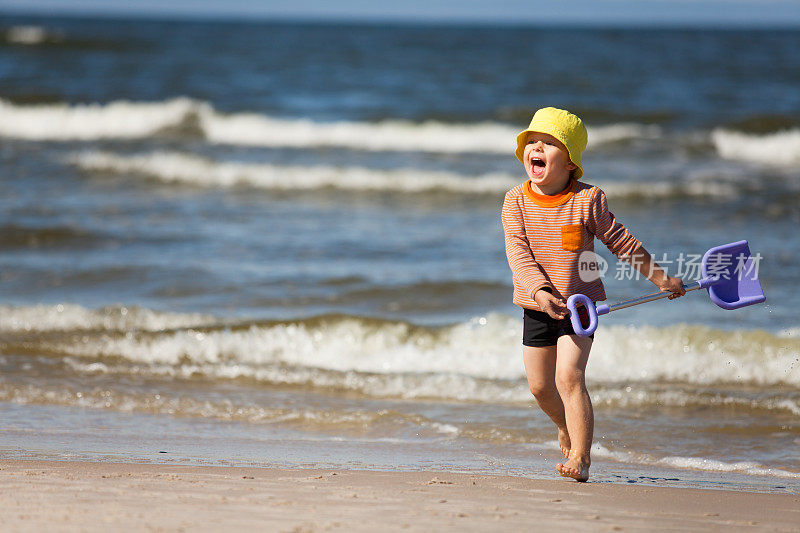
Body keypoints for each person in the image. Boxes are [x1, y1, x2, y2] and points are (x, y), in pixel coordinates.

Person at [500, 107, 685, 482]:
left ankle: (581, 459)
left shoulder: (589, 200)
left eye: (550, 143)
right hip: (536, 306)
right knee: (540, 388)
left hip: (578, 308)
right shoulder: (515, 200)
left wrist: (660, 278)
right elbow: (517, 252)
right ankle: (567, 427)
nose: (537, 147)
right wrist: (538, 292)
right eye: (533, 141)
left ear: (570, 163)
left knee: (569, 378)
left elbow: (621, 242)